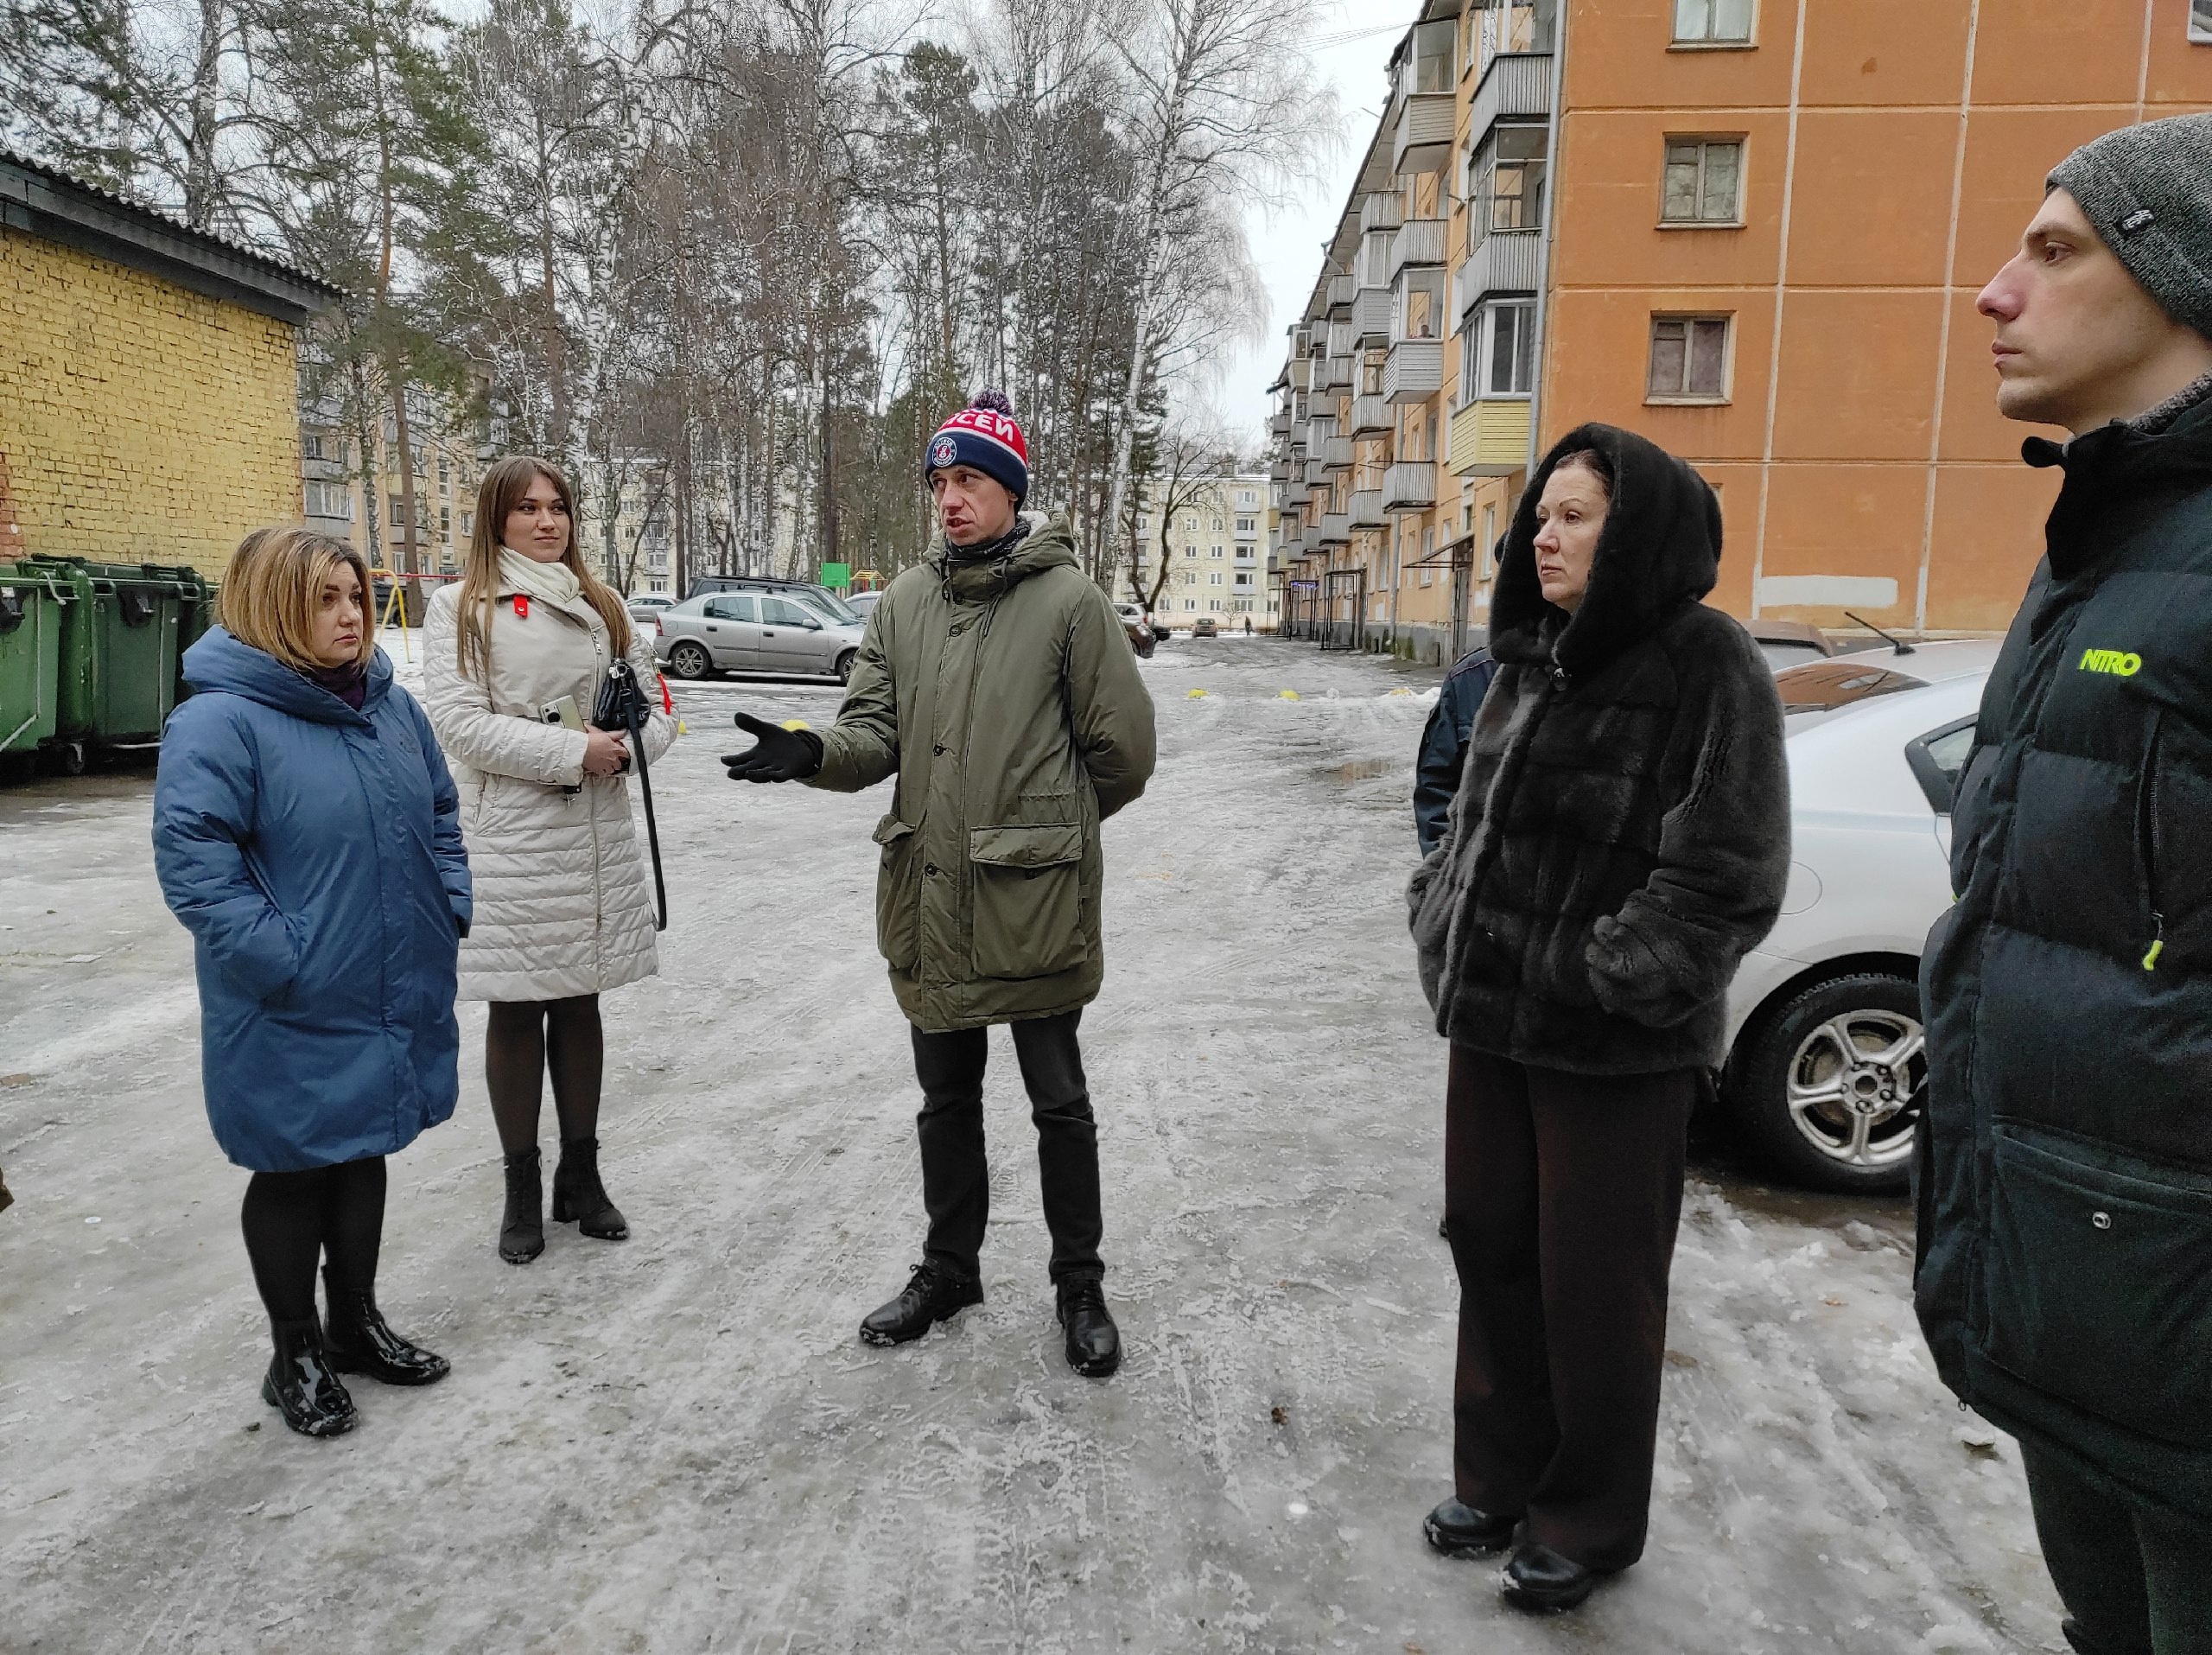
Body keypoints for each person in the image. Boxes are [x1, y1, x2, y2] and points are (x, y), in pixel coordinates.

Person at [1916, 115, 2212, 1655]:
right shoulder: (2093, 554)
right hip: (2069, 1300)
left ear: (2183, 280)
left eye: (2053, 251)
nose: (1992, 293)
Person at [1407, 426, 1788, 1612]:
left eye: (1576, 515)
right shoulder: (1525, 656)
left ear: (1640, 531)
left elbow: (1729, 869)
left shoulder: (1707, 660)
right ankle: (1501, 1475)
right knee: (1490, 1242)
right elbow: (1466, 819)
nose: (1545, 534)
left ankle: (1588, 1514)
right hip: (1492, 1022)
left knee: (1598, 1282)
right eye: (1544, 514)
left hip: (1615, 1045)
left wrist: (1612, 969)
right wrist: (1439, 911)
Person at [723, 391, 1155, 1377]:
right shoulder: (907, 605)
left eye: (970, 481)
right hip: (928, 890)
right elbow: (871, 730)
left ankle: (1078, 1283)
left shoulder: (1070, 604)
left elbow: (1122, 753)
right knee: (944, 1099)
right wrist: (810, 751)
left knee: (1058, 1102)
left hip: (1031, 902)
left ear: (1011, 491)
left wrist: (1049, 831)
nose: (950, 500)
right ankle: (950, 1267)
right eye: (940, 482)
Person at [154, 527, 469, 1437]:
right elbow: (193, 859)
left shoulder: (388, 707)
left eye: (355, 597)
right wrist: (275, 954)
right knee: (294, 1168)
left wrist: (447, 897)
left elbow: (441, 812)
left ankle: (354, 1323)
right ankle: (293, 1349)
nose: (348, 615)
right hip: (289, 995)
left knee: (362, 1147)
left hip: (385, 976)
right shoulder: (221, 718)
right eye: (324, 599)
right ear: (273, 606)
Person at [422, 457, 675, 1265]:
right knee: (516, 1008)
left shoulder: (604, 606)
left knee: (579, 1004)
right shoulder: (459, 608)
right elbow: (460, 725)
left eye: (558, 507)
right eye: (528, 508)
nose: (546, 521)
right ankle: (521, 1187)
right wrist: (574, 749)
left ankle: (582, 1174)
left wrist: (627, 753)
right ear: (496, 518)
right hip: (514, 842)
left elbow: (658, 709)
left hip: (594, 835)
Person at [1412, 633, 1497, 858]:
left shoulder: (1602, 680)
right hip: (1485, 886)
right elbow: (1436, 789)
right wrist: (1441, 879)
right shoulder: (1473, 677)